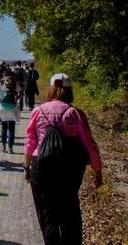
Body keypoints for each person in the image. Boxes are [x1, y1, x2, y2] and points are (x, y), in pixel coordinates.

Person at [24, 73, 103, 245]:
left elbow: (30, 141)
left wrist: (27, 167)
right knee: (69, 210)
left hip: (41, 165)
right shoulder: (75, 113)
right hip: (70, 167)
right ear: (69, 90)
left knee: (46, 213)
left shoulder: (38, 111)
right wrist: (97, 171)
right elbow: (89, 143)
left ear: (52, 88)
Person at [0, 76, 20, 153]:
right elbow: (21, 93)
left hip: (3, 108)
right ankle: (10, 148)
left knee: (4, 127)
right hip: (12, 108)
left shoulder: (1, 84)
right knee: (11, 129)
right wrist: (16, 100)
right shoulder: (15, 85)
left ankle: (3, 145)